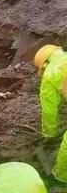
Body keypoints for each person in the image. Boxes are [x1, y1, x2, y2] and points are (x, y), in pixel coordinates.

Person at [34, 44, 67, 183]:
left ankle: (60, 177)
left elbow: (50, 110)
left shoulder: (50, 73)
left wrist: (50, 134)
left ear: (44, 64)